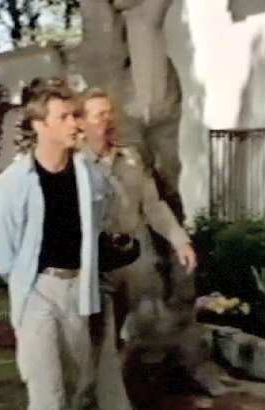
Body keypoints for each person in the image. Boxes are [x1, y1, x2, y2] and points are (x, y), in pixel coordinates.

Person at [0, 80, 110, 410]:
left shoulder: (90, 177)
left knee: (78, 387)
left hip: (78, 289)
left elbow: (97, 225)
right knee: (47, 394)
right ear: (40, 125)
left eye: (75, 116)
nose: (75, 124)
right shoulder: (11, 185)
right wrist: (27, 280)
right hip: (37, 291)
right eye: (64, 117)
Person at [76, 88, 196, 340]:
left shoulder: (131, 157)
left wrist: (180, 241)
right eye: (99, 115)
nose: (107, 120)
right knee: (99, 334)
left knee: (148, 328)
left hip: (135, 258)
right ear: (82, 122)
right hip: (96, 260)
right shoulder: (74, 164)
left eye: (109, 113)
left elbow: (153, 205)